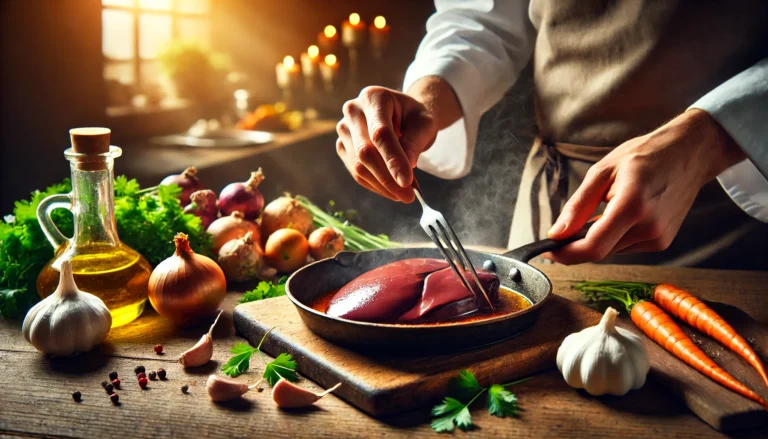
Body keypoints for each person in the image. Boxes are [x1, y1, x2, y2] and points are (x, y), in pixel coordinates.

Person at [335, 0, 768, 268]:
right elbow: (481, 16)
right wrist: (427, 97)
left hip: (727, 211)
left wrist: (706, 139)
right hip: (550, 205)